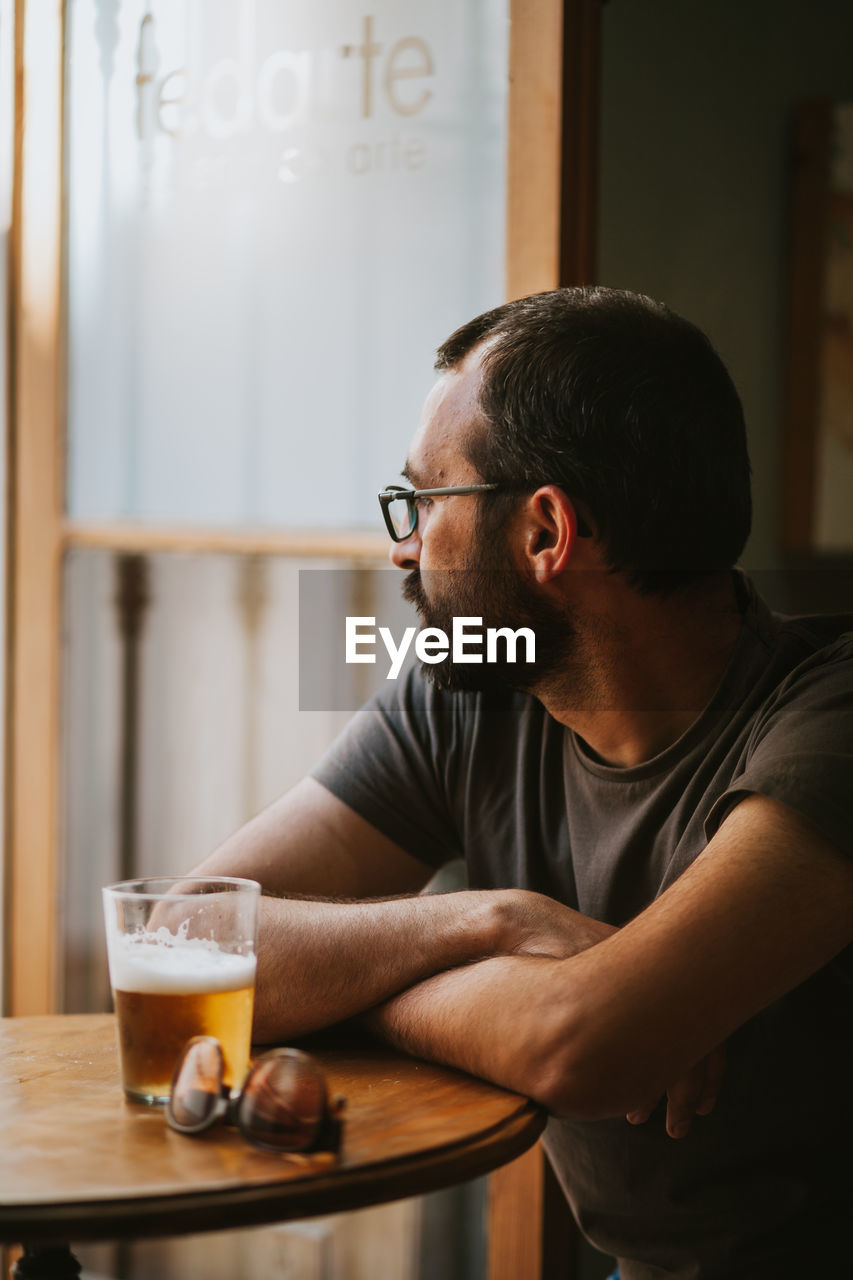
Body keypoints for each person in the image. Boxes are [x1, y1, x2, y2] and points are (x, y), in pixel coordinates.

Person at [193, 288, 853, 1279]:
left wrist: (345, 991)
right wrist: (486, 923)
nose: (400, 545)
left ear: (545, 531)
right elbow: (181, 938)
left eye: (424, 500)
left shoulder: (829, 717)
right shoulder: (470, 692)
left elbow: (584, 1046)